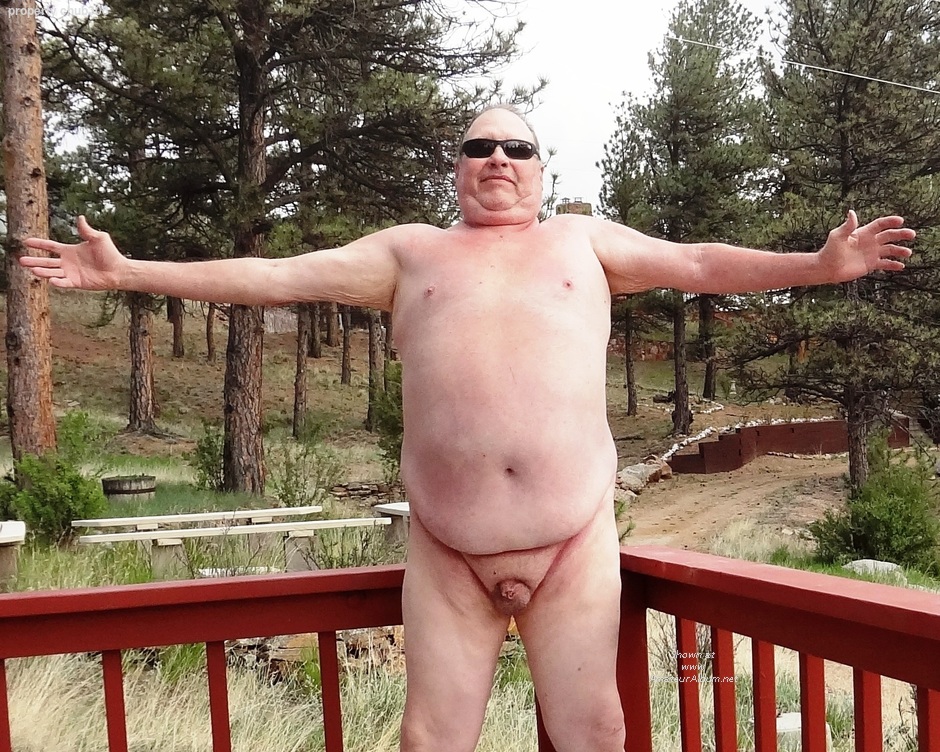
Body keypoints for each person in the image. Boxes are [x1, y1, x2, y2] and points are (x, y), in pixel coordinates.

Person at [20, 104, 914, 752]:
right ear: (456, 169)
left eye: (516, 148)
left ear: (541, 170)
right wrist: (129, 271)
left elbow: (698, 263)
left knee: (597, 732)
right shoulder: (408, 253)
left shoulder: (581, 241)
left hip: (573, 544)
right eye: (478, 147)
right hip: (447, 551)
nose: (497, 159)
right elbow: (275, 276)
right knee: (430, 739)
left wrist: (816, 265)